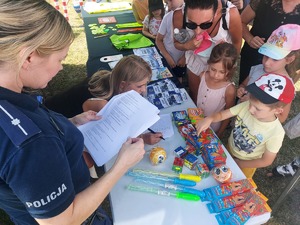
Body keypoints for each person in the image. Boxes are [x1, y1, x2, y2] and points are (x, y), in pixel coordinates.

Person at [0, 1, 145, 224]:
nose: (60, 68)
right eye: (60, 59)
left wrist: (69, 122)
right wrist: (121, 166)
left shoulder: (12, 100)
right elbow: (63, 221)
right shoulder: (31, 144)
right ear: (28, 57)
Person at [196, 73, 295, 178]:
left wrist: (239, 163)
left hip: (246, 164)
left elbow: (266, 160)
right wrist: (210, 118)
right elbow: (222, 114)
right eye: (251, 104)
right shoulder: (246, 106)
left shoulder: (276, 133)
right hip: (229, 150)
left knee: (234, 183)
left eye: (257, 108)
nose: (250, 109)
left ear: (278, 110)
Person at [173, 0, 242, 103]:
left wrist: (226, 66)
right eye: (191, 24)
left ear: (216, 13)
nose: (198, 31)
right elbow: (176, 43)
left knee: (216, 102)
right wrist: (187, 46)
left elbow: (237, 44)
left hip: (220, 68)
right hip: (196, 63)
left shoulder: (230, 14)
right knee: (196, 97)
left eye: (205, 24)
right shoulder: (179, 14)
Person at [237, 24, 300, 123]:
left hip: (254, 128)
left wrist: (252, 104)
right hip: (241, 117)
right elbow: (244, 84)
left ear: (289, 59)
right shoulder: (258, 68)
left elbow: (282, 117)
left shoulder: (286, 87)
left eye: (275, 59)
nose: (266, 63)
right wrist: (241, 89)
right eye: (265, 56)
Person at [238, 0, 300, 85]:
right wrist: (250, 39)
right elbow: (240, 22)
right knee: (244, 91)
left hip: (285, 67)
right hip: (252, 58)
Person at [196, 42, 238, 137]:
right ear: (209, 63)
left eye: (222, 72)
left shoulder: (229, 89)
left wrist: (220, 132)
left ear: (230, 70)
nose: (216, 75)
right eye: (213, 69)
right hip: (196, 119)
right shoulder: (202, 76)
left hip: (213, 126)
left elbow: (227, 112)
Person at [44, 70, 111, 118]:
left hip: (47, 109)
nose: (61, 68)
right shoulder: (101, 103)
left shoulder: (103, 77)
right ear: (121, 85)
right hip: (48, 120)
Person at [155, 0, 186, 81]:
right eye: (166, 3)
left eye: (170, 1)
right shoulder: (168, 17)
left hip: (182, 61)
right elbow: (158, 40)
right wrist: (167, 57)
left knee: (179, 79)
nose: (169, 6)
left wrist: (184, 57)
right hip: (167, 58)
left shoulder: (191, 16)